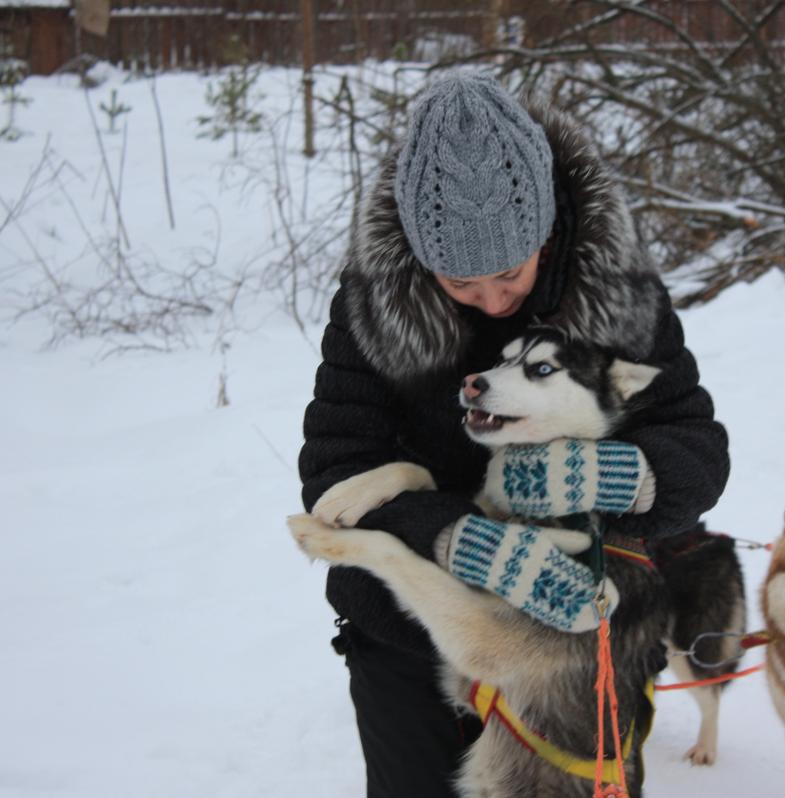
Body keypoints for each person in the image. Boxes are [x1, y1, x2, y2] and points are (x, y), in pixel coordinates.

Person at [298, 71, 729, 798]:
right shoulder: (373, 306)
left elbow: (697, 449)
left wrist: (623, 475)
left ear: (546, 232)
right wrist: (458, 540)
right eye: (460, 283)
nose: (492, 301)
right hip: (412, 629)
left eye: (508, 273)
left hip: (578, 632)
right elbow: (337, 468)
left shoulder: (615, 294)